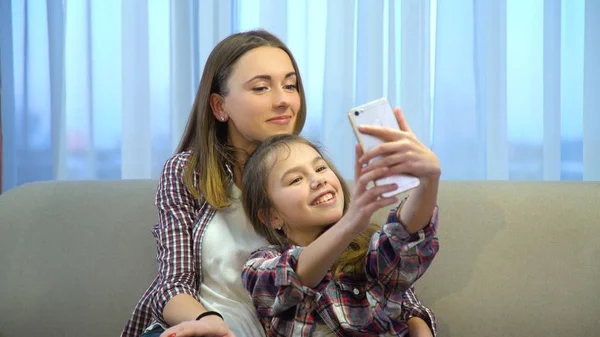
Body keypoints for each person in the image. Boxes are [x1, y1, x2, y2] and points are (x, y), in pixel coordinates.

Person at [121, 28, 436, 337]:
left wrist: (417, 324)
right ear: (219, 106)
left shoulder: (311, 171)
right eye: (261, 88)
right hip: (206, 325)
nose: (284, 101)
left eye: (290, 85)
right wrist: (210, 322)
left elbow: (376, 265)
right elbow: (172, 284)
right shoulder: (189, 174)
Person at [240, 127, 440, 335]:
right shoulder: (260, 265)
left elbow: (403, 237)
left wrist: (428, 181)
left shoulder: (368, 248)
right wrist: (350, 223)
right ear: (272, 216)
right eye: (296, 179)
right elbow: (292, 278)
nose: (318, 180)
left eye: (320, 169)